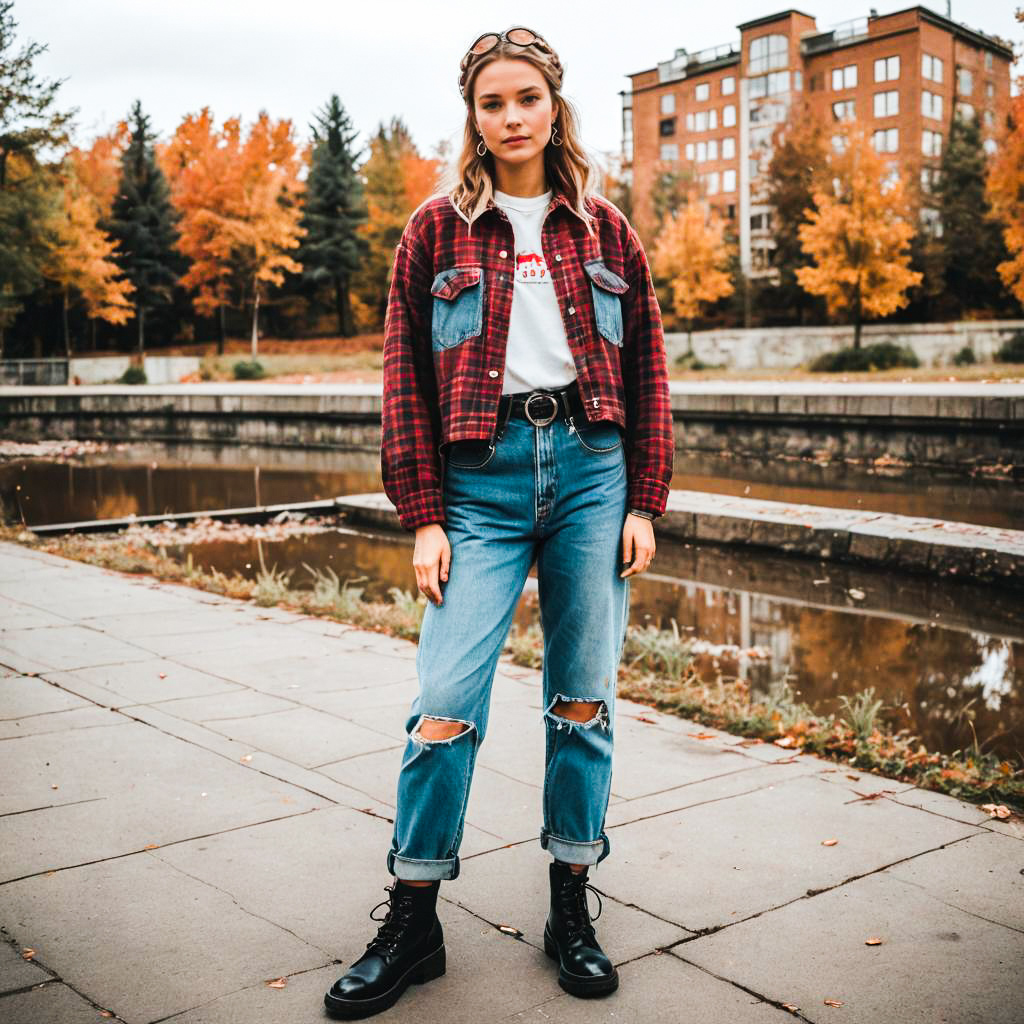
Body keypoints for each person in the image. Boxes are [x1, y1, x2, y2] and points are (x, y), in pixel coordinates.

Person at [324, 25, 673, 1020]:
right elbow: (402, 383)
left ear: (553, 105)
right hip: (477, 483)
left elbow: (648, 370)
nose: (510, 117)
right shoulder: (433, 232)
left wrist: (645, 497)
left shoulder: (608, 232)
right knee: (442, 705)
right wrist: (422, 514)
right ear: (472, 115)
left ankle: (572, 901)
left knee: (581, 702)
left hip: (590, 471)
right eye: (491, 102)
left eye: (526, 98)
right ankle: (413, 914)